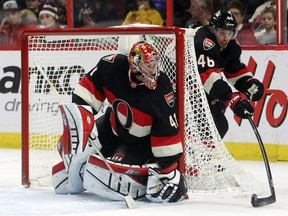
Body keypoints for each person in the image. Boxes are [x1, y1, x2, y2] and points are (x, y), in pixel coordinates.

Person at [51, 41, 187, 203]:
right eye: (148, 65)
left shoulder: (162, 90)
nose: (154, 69)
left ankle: (137, 165)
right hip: (111, 128)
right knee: (72, 150)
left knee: (105, 170)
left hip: (139, 144)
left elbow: (166, 132)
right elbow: (86, 93)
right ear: (135, 66)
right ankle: (78, 163)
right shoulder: (112, 66)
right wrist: (82, 127)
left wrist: (169, 171)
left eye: (154, 64)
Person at [194, 10, 264, 138]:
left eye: (230, 33)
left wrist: (249, 84)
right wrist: (230, 98)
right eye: (222, 33)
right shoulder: (203, 42)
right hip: (179, 87)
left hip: (199, 88)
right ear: (212, 30)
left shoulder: (230, 45)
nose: (226, 38)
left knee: (219, 126)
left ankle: (202, 156)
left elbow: (234, 70)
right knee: (209, 126)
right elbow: (208, 78)